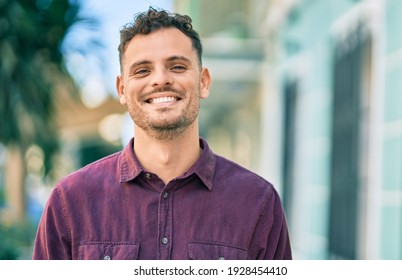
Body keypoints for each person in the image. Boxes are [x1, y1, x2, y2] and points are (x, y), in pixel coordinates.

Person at [33, 7, 292, 260]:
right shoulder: (70, 201)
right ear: (122, 89)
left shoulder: (258, 202)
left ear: (203, 82)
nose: (160, 80)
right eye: (142, 70)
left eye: (177, 67)